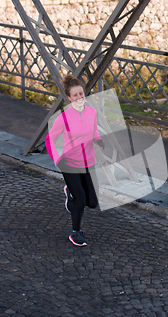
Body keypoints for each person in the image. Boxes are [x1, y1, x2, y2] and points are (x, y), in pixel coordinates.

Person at [45, 74, 104, 246]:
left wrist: (99, 141)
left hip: (89, 162)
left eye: (81, 94)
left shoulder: (92, 112)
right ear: (69, 98)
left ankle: (69, 192)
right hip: (69, 163)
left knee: (92, 202)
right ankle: (75, 232)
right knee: (81, 200)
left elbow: (94, 132)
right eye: (75, 95)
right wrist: (57, 160)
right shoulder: (63, 117)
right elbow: (49, 140)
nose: (79, 97)